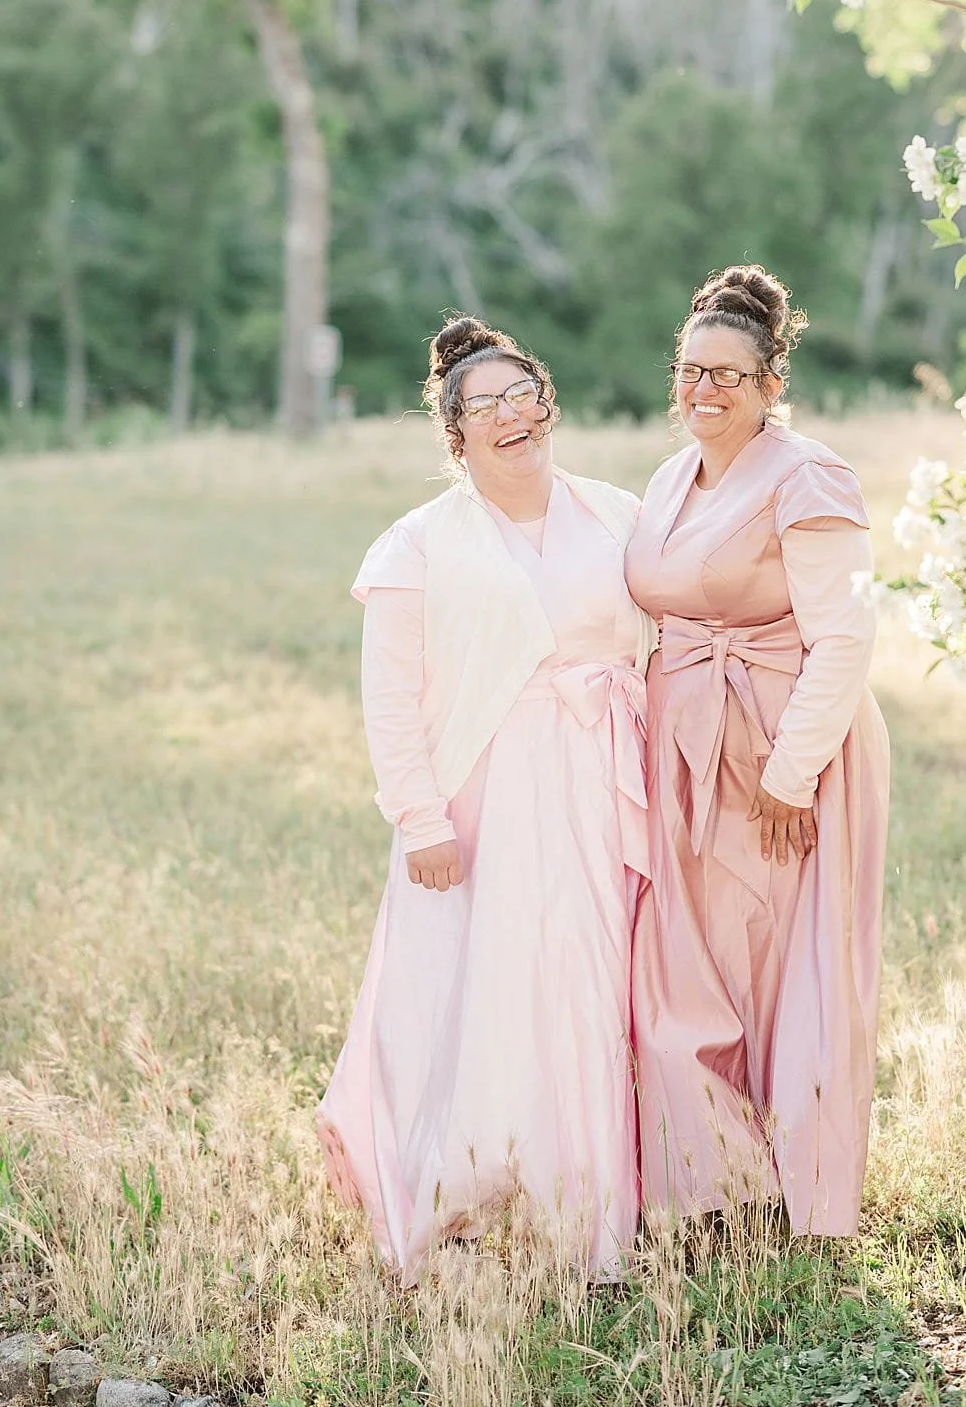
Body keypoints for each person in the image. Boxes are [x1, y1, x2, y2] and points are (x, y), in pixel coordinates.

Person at [317, 317, 652, 1280]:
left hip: (599, 780)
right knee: (474, 992)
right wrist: (421, 820)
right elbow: (388, 698)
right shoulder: (420, 542)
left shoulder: (616, 513)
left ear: (549, 401)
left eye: (525, 394)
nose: (513, 415)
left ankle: (586, 1214)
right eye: (485, 404)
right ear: (454, 433)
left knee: (585, 987)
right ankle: (458, 1190)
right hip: (479, 794)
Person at [627, 264, 890, 1235]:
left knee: (785, 967)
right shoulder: (668, 477)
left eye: (727, 375)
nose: (702, 391)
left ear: (772, 382)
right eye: (689, 370)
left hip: (783, 750)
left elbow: (847, 636)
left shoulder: (808, 475)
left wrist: (792, 772)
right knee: (687, 966)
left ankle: (795, 1190)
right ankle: (713, 1183)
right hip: (685, 746)